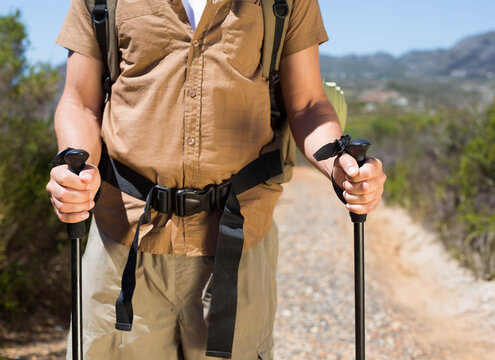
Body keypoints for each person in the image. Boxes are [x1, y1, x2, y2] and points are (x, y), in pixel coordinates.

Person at [46, 0, 386, 358]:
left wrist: (339, 165)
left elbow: (307, 104)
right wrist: (74, 171)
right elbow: (80, 100)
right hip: (123, 237)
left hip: (239, 242)